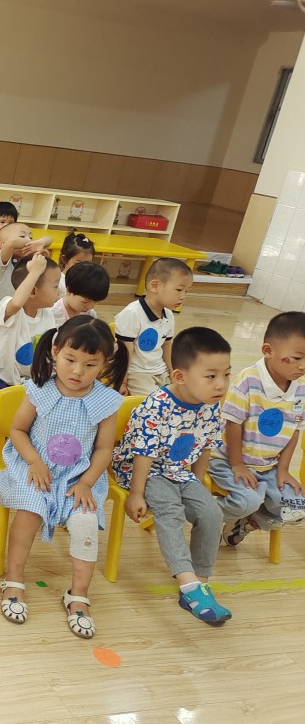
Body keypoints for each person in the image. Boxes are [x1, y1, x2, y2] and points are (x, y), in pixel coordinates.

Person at [0, 316, 127, 638]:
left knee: (86, 522)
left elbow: (104, 450)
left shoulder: (106, 401)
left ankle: (78, 595)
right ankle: (13, 579)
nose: (77, 371)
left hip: (79, 477)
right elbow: (17, 430)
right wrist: (35, 462)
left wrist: (86, 482)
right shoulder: (39, 389)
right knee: (30, 511)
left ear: (105, 365)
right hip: (33, 466)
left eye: (90, 364)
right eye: (70, 359)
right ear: (55, 352)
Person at [111, 327, 232, 625]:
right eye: (211, 376)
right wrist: (136, 494)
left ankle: (200, 582)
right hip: (143, 470)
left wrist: (198, 484)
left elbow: (204, 446)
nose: (221, 384)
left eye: (227, 374)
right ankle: (188, 586)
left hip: (179, 472)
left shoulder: (211, 405)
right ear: (180, 376)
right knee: (170, 511)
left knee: (212, 513)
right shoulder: (157, 405)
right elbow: (144, 454)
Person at [210, 311, 305, 545]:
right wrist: (237, 464)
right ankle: (200, 512)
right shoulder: (248, 380)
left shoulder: (301, 387)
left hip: (269, 466)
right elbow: (233, 425)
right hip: (227, 460)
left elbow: (295, 429)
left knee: (297, 508)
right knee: (247, 502)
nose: (302, 366)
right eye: (296, 358)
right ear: (268, 350)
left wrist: (283, 469)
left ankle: (245, 523)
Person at [0, 255, 61, 481]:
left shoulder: (48, 316)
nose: (59, 291)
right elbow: (17, 302)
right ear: (33, 290)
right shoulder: (8, 306)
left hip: (24, 381)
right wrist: (35, 271)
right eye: (54, 285)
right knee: (5, 413)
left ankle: (24, 454)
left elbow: (48, 352)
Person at [114, 257, 193, 397]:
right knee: (155, 401)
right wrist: (122, 381)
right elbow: (125, 352)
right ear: (155, 286)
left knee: (184, 395)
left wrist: (172, 372)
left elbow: (167, 345)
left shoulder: (168, 314)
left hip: (160, 370)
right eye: (179, 290)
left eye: (186, 291)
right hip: (137, 373)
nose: (183, 297)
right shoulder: (132, 313)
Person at [0, 222, 53, 321]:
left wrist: (40, 242)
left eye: (31, 237)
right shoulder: (3, 261)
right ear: (3, 244)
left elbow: (49, 239)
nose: (29, 240)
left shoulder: (31, 263)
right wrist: (31, 243)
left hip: (19, 318)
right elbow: (11, 242)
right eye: (22, 236)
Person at [51, 261, 110, 327]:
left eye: (95, 302)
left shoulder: (90, 314)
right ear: (69, 291)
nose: (90, 306)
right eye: (85, 302)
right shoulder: (53, 314)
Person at [58, 231, 96, 296]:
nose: (83, 268)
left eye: (88, 263)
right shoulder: (58, 281)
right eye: (78, 263)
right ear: (64, 259)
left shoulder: (88, 280)